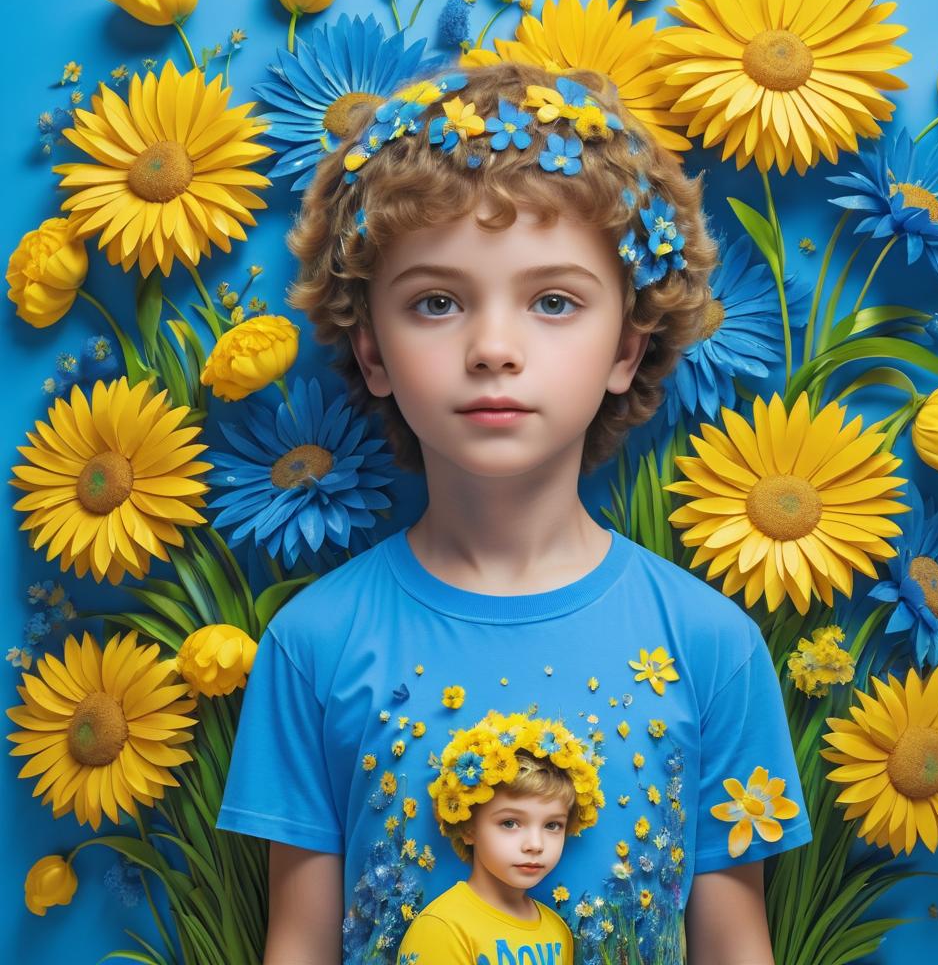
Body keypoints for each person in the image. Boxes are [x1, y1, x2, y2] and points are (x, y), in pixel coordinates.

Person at [215, 60, 814, 965]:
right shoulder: (314, 645)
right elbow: (296, 948)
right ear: (373, 351)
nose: (494, 348)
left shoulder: (711, 645)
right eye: (438, 302)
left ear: (628, 345)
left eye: (554, 301)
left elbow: (737, 950)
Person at [395, 711, 598, 963]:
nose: (535, 845)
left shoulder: (558, 931)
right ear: (469, 828)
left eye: (552, 825)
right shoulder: (443, 928)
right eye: (510, 823)